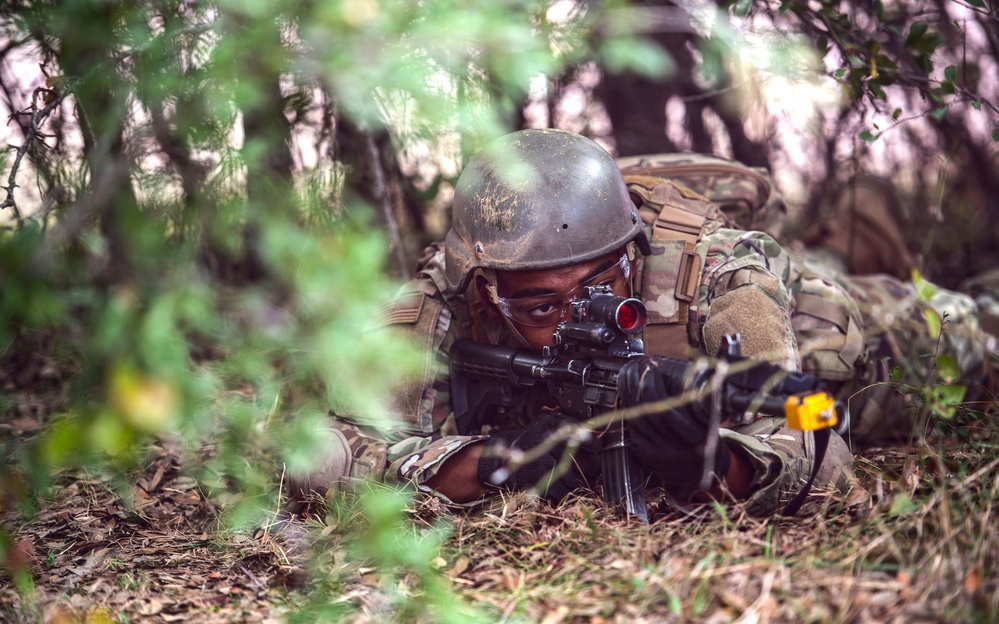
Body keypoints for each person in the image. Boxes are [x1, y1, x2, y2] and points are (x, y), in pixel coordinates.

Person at [299, 129, 986, 518]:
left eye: (604, 288)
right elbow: (323, 450)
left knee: (972, 324)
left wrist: (717, 461)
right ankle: (850, 230)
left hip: (867, 335)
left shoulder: (721, 269)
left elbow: (817, 437)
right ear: (486, 295)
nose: (581, 317)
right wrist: (506, 461)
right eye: (541, 306)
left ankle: (874, 234)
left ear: (632, 254)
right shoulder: (442, 297)